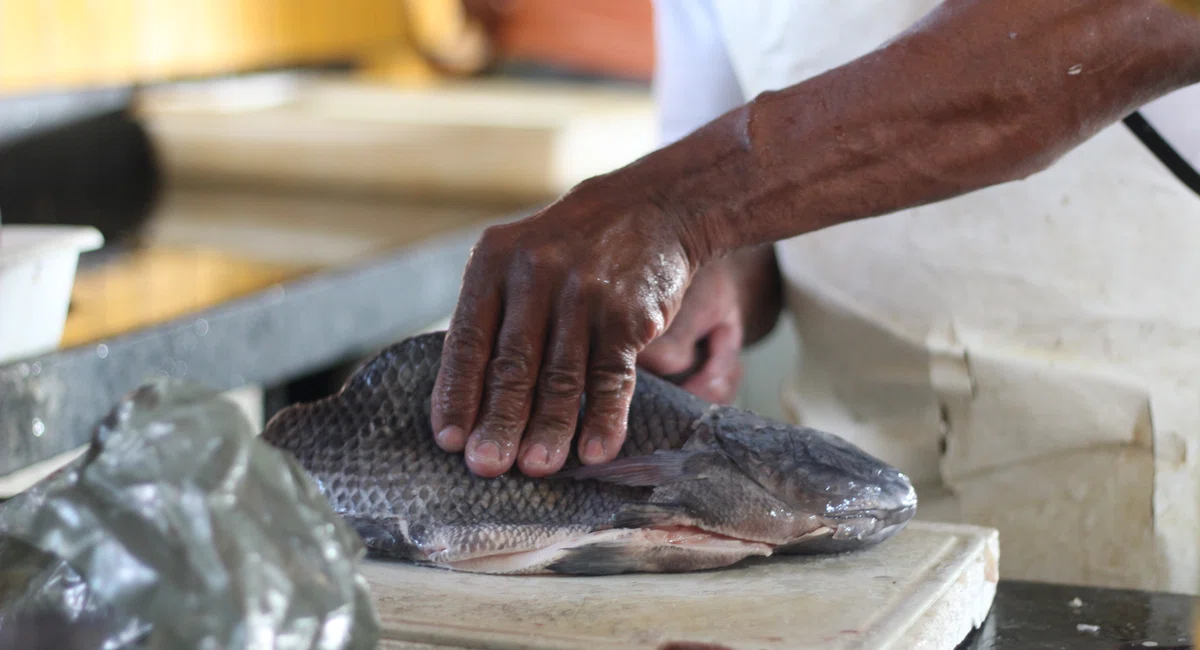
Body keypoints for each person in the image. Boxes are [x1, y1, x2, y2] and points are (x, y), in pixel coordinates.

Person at [433, 0, 1200, 593]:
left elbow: (1110, 25)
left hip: (1155, 468)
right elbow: (743, 182)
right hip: (842, 507)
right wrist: (718, 276)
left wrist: (673, 210)